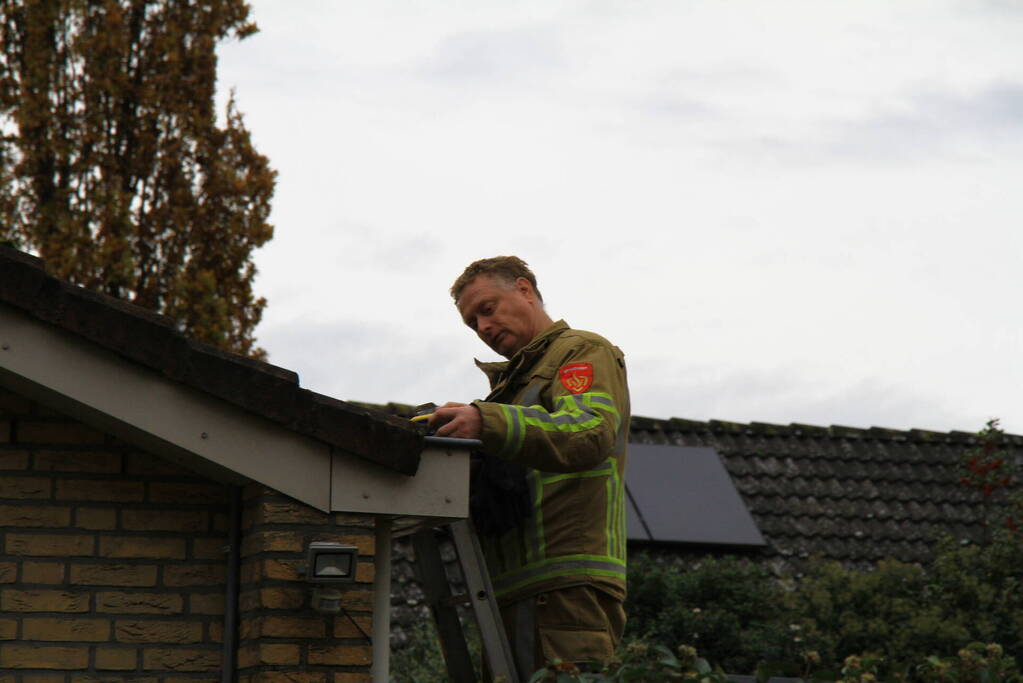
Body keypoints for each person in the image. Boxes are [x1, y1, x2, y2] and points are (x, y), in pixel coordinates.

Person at [428, 255, 630, 677]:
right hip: (509, 592)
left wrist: (486, 421)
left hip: (566, 589)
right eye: (472, 323)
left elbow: (590, 432)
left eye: (487, 309)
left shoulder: (580, 352)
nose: (482, 327)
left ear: (524, 290)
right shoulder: (515, 386)